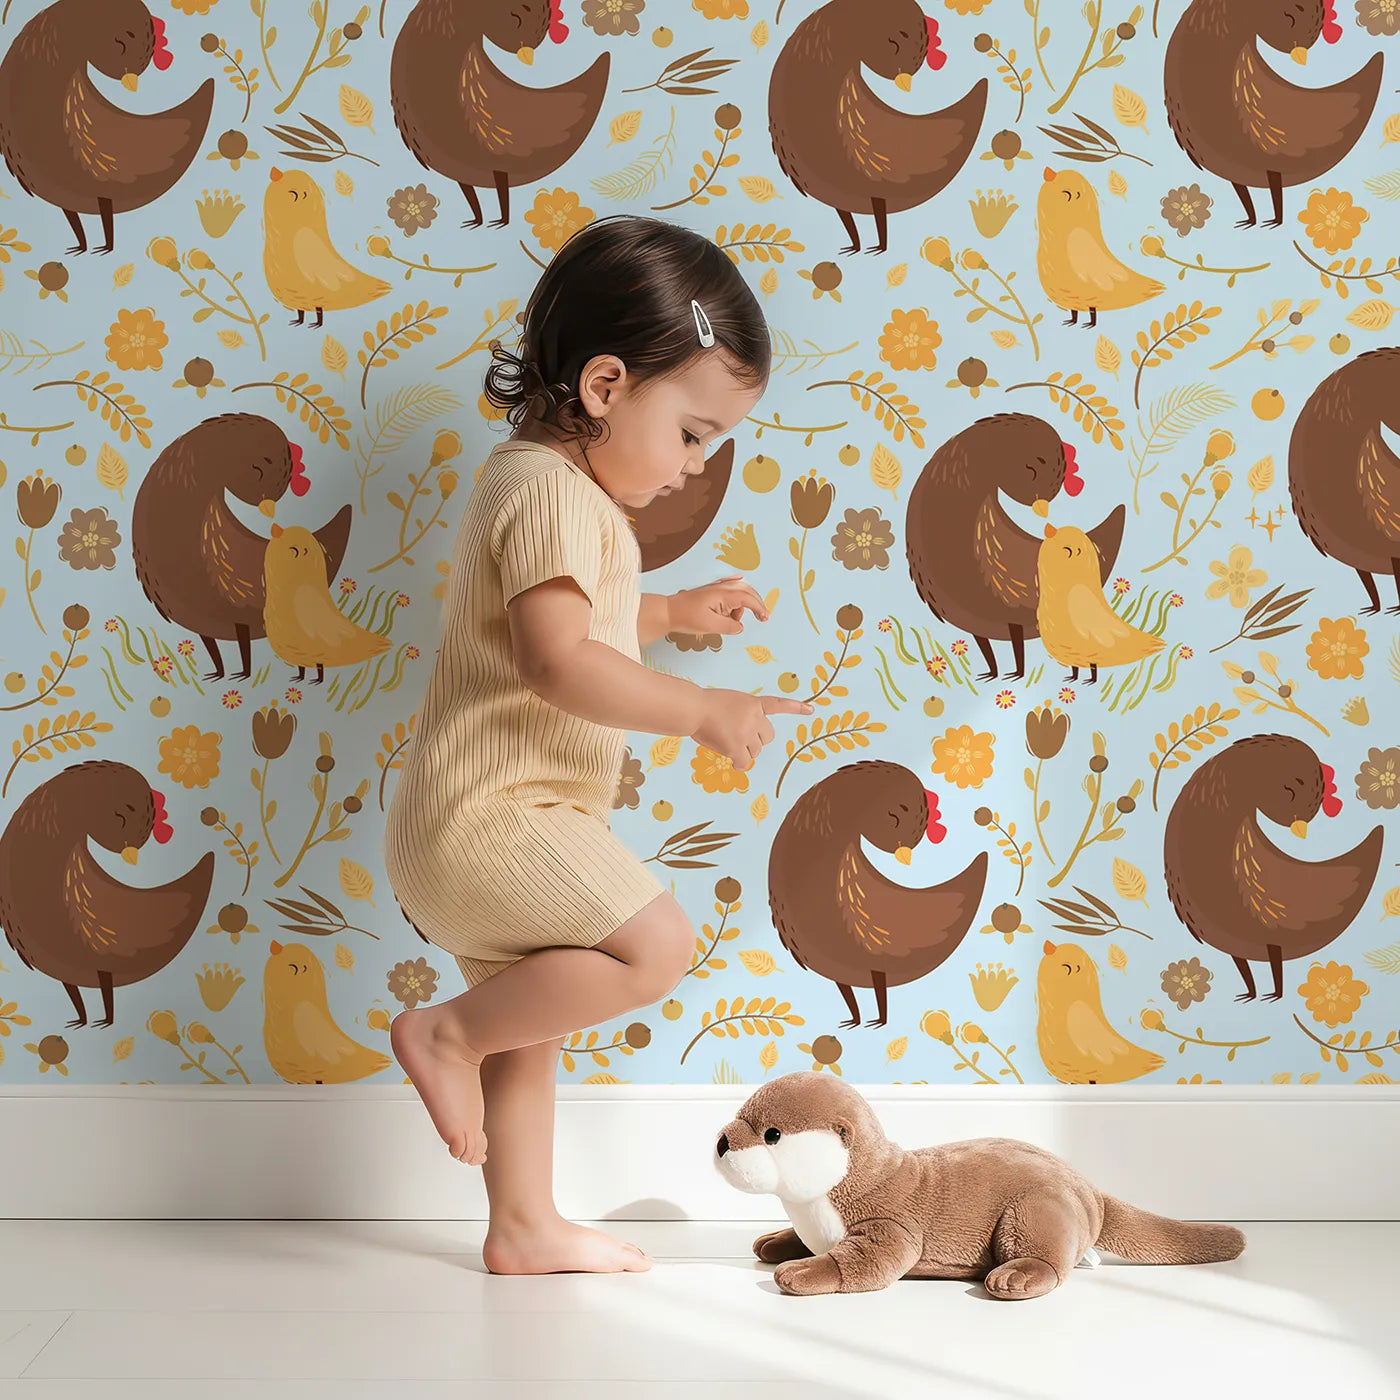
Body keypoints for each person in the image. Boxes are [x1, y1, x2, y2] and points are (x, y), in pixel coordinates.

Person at [383, 214, 810, 1276]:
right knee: (651, 945)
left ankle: (521, 1221)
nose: (694, 465)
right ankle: (440, 1035)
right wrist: (699, 708)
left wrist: (669, 609)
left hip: (476, 818)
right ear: (608, 386)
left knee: (526, 1020)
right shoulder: (550, 493)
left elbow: (567, 617)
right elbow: (555, 660)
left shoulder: (544, 489)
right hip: (495, 816)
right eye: (695, 432)